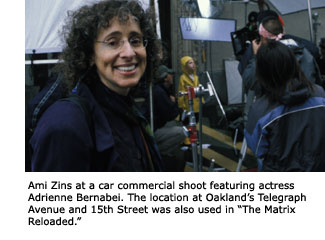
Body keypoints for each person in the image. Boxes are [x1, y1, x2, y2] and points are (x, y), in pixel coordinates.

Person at [28, 0, 164, 171]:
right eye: (113, 42)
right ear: (90, 54)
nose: (129, 53)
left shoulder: (127, 110)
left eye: (135, 40)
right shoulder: (66, 123)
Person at [244, 40, 325, 171]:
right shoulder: (320, 94)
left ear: (262, 72)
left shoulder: (260, 110)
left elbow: (257, 149)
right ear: (294, 63)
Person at [141, 65, 186, 171]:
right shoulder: (159, 93)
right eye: (170, 74)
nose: (172, 76)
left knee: (174, 124)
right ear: (166, 77)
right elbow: (170, 114)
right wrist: (175, 104)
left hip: (152, 126)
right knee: (182, 132)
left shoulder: (160, 90)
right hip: (152, 130)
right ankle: (158, 151)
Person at [178, 56, 202, 124]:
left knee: (196, 121)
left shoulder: (196, 77)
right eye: (190, 63)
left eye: (193, 62)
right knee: (188, 122)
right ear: (185, 66)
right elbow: (181, 91)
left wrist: (201, 100)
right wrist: (181, 105)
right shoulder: (182, 78)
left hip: (197, 104)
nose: (193, 64)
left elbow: (199, 88)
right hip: (188, 104)